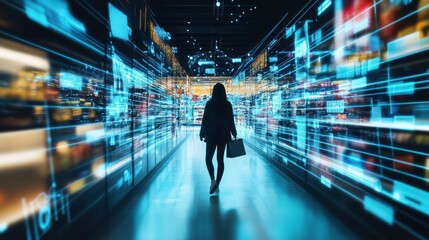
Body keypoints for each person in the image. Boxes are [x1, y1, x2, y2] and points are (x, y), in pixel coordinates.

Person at [200, 83, 237, 194]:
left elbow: (205, 119)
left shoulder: (209, 104)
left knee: (208, 159)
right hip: (224, 135)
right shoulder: (228, 104)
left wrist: (202, 132)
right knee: (220, 160)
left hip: (211, 134)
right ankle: (217, 184)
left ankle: (213, 181)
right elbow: (231, 121)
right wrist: (234, 132)